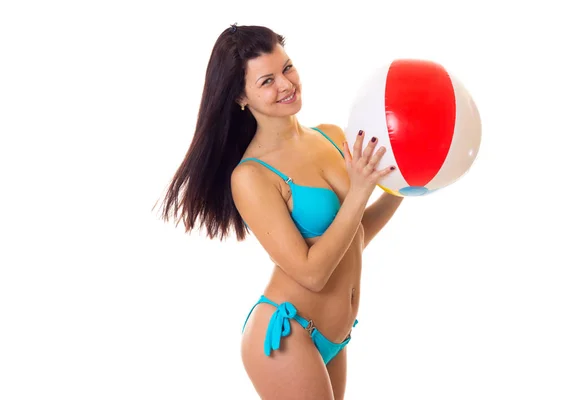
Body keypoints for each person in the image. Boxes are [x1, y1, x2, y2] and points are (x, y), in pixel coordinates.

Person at [157, 24, 404, 399]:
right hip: (287, 337)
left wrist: (401, 188)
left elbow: (353, 235)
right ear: (241, 96)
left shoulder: (332, 135)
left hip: (333, 334)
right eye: (267, 81)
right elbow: (313, 273)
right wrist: (359, 191)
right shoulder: (252, 176)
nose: (286, 85)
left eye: (287, 68)